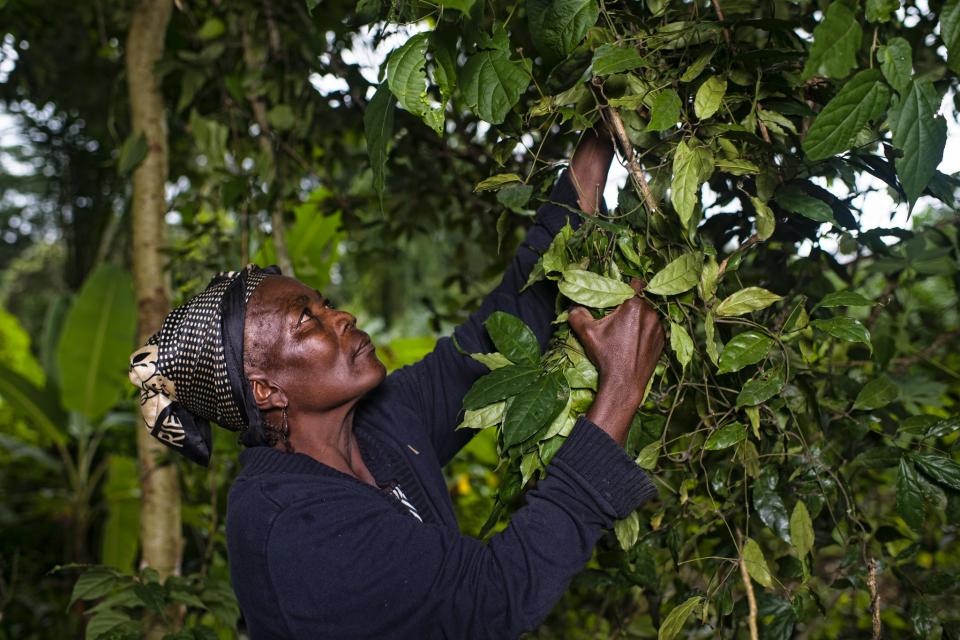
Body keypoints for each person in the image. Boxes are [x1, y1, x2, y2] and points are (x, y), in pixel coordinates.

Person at [127, 129, 665, 639]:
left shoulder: (380, 422)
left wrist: (595, 145)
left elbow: (498, 332)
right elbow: (494, 596)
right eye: (305, 321)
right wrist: (620, 392)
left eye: (325, 303)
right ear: (266, 390)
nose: (342, 317)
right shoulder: (288, 524)